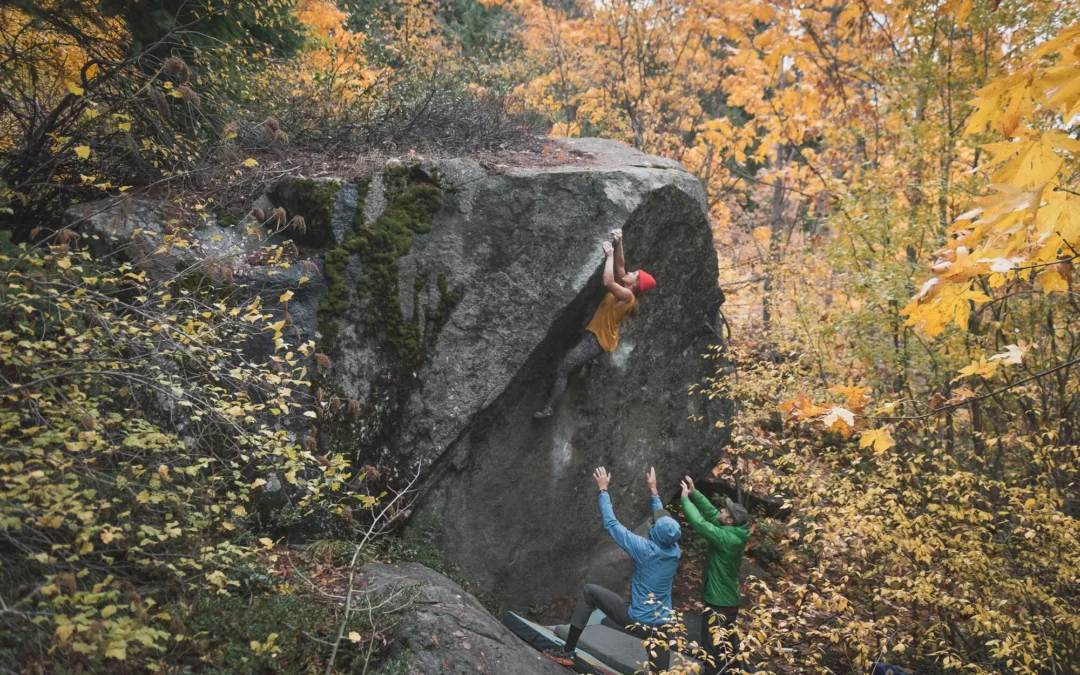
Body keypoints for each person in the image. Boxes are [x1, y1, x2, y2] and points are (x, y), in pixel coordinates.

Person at [544, 467, 681, 672]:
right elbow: (665, 528)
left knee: (589, 592)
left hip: (637, 620)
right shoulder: (675, 551)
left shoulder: (644, 549)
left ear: (655, 532)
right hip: (663, 625)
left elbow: (611, 523)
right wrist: (654, 491)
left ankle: (567, 651)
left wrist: (603, 490)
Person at [534, 229, 655, 419]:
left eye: (634, 274)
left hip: (596, 341)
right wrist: (619, 242)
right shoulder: (627, 287)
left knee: (564, 368)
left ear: (636, 284)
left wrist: (608, 255)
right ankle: (587, 363)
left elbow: (608, 281)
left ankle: (549, 409)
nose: (629, 272)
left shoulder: (628, 295)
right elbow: (621, 265)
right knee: (570, 363)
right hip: (597, 334)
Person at [679, 476, 751, 675]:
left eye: (726, 511)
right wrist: (694, 492)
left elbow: (700, 524)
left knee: (711, 652)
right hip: (728, 601)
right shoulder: (732, 532)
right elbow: (711, 514)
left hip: (718, 604)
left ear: (729, 520)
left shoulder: (726, 538)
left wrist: (685, 499)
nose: (722, 510)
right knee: (728, 647)